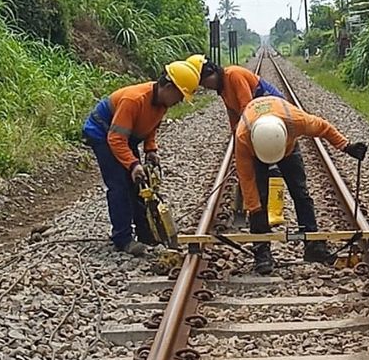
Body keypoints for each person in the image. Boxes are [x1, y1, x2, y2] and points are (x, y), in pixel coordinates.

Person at [235, 96, 368, 275]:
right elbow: (246, 180)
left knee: (300, 193)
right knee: (259, 197)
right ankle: (262, 252)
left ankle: (312, 246)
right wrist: (255, 210)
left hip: (288, 149)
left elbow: (323, 127)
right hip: (256, 154)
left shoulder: (295, 120)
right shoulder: (243, 137)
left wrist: (346, 146)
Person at [82, 61, 200, 255]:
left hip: (124, 136)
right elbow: (115, 138)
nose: (179, 101)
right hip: (103, 133)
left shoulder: (161, 103)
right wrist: (133, 164)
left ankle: (145, 234)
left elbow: (150, 125)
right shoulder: (134, 100)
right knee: (120, 185)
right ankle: (123, 239)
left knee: (139, 185)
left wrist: (150, 149)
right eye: (179, 95)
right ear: (168, 87)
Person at [186, 54, 284, 131]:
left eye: (205, 82)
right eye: (202, 85)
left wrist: (241, 130)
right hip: (258, 111)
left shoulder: (233, 75)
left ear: (213, 72)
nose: (206, 86)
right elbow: (232, 113)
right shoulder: (222, 87)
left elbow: (247, 106)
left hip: (272, 104)